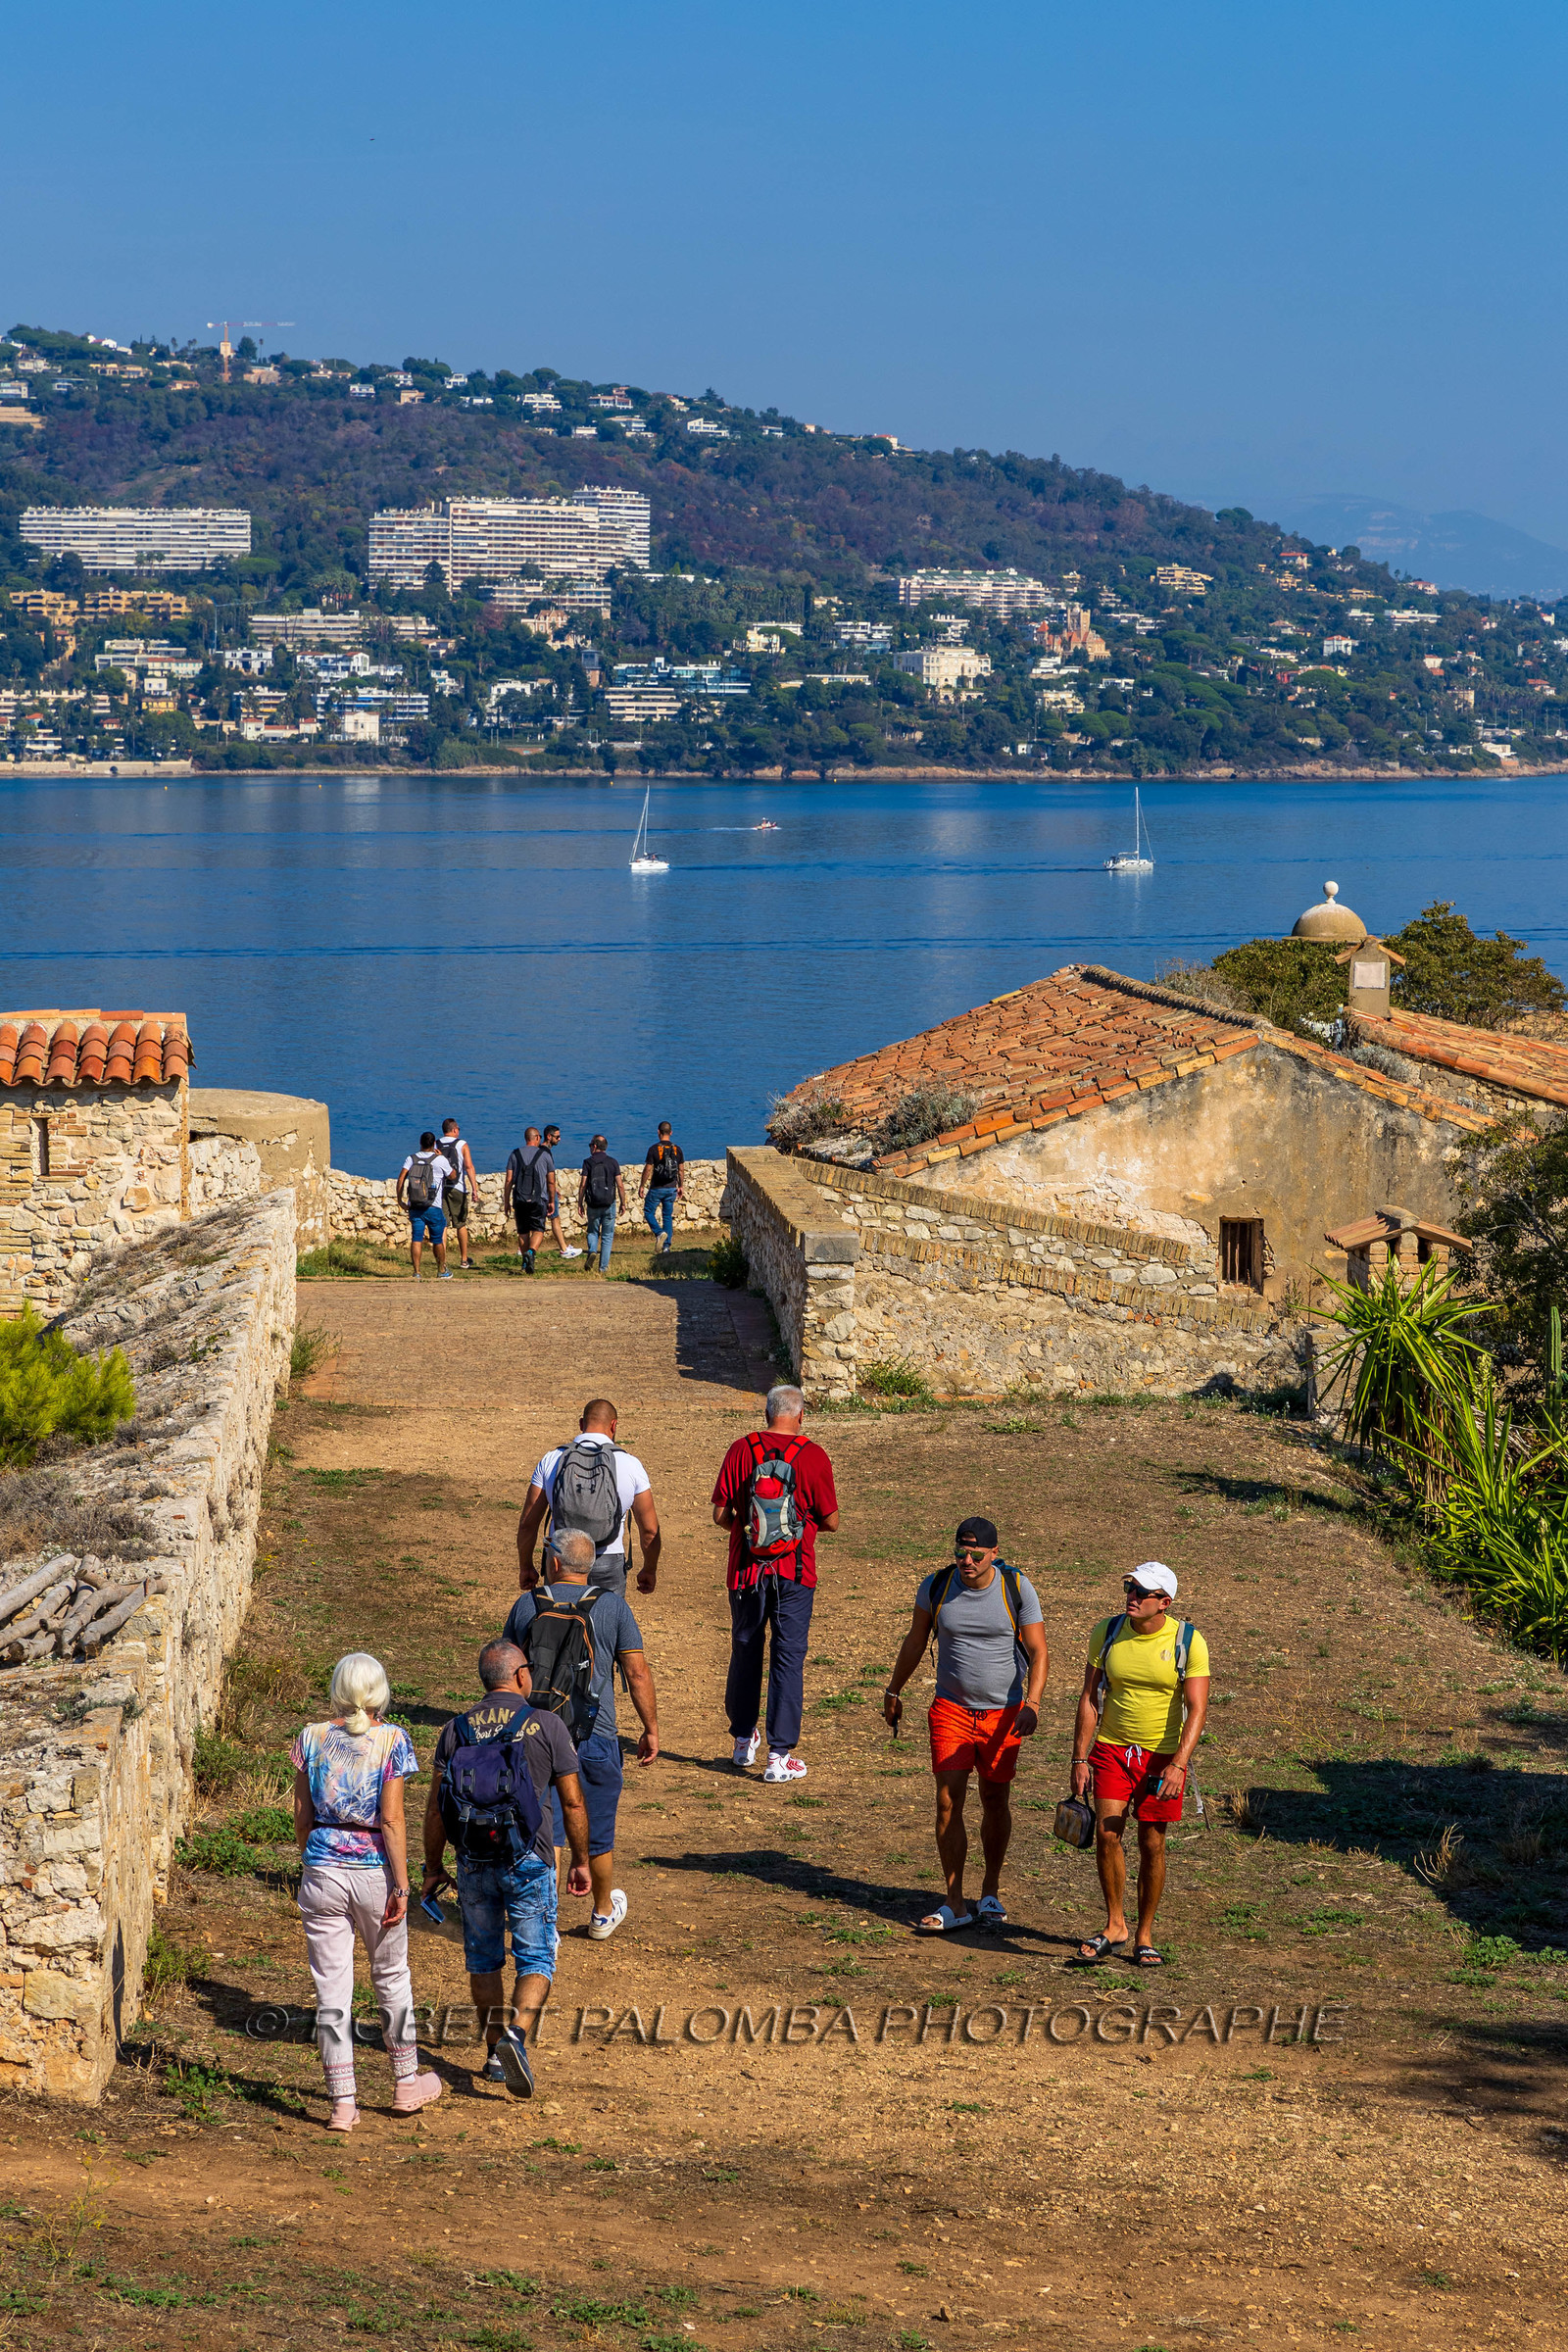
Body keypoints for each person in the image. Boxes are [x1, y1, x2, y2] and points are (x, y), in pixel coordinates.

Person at [419, 1640, 591, 2095]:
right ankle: (517, 2036)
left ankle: (495, 2052)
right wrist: (581, 1860)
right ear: (520, 1676)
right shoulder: (547, 1725)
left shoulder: (455, 1730)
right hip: (529, 1858)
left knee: (483, 1958)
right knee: (535, 1955)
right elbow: (572, 1801)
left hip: (473, 1862)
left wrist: (432, 1867)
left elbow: (437, 1810)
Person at [291, 1651, 443, 2130]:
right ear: (378, 1692)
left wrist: (309, 1856)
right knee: (391, 1976)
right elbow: (392, 1818)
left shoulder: (310, 1738)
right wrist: (402, 1883)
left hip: (322, 1867)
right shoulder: (392, 1740)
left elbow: (301, 1810)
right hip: (373, 1867)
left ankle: (342, 2102)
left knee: (331, 1985)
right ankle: (405, 2082)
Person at [882, 1518, 1049, 1934]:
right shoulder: (937, 1586)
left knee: (995, 1799)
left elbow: (1039, 1649)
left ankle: (989, 1891)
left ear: (994, 1553)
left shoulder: (1016, 1588)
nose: (967, 1561)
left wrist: (1033, 1703)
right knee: (947, 1801)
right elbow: (916, 1641)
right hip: (951, 1710)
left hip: (1004, 1714)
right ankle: (954, 1901)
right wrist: (893, 1690)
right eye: (961, 1553)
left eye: (976, 1554)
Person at [504, 1528, 660, 1943]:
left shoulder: (527, 1605)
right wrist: (650, 1728)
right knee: (598, 1828)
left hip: (536, 1734)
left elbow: (506, 1673)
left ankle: (542, 1919)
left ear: (553, 1562)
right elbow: (637, 1672)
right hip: (596, 1732)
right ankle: (602, 1913)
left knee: (547, 1828)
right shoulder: (612, 1607)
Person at [1070, 1562, 1210, 1970]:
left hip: (1162, 1757)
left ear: (1163, 1602)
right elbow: (1089, 1697)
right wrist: (1080, 1755)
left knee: (1152, 1841)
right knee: (1106, 1832)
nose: (1131, 1596)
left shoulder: (1189, 1641)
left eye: (1140, 1592)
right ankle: (1115, 1925)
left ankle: (1145, 1934)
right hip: (1112, 1749)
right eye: (1129, 1587)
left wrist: (1179, 1764)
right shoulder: (1108, 1631)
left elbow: (1197, 1708)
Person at [711, 1383, 839, 1785]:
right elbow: (831, 1521)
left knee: (745, 1650)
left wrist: (748, 1531)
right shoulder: (813, 1455)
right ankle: (779, 1754)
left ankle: (741, 1740)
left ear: (767, 1414)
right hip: (795, 1574)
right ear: (800, 1416)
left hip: (746, 1572)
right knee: (788, 1657)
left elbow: (719, 1513)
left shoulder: (741, 1449)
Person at [515, 1398, 662, 1596]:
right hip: (608, 1561)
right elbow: (650, 1531)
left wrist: (526, 1566)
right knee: (605, 1623)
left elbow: (527, 1524)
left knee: (560, 1623)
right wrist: (649, 1569)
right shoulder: (631, 1465)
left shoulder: (552, 1459)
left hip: (562, 1559)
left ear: (581, 1424)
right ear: (614, 1425)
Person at [396, 1131, 452, 1282]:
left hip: (415, 1206)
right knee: (437, 1240)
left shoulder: (411, 1159)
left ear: (420, 1143)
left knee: (416, 1238)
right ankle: (441, 1270)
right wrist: (441, 1157)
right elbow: (453, 1176)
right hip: (434, 1206)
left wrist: (400, 1200)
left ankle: (417, 1272)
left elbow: (401, 1178)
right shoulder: (440, 1160)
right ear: (434, 1144)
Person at [503, 1127, 556, 1273]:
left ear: (526, 1138)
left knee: (523, 1232)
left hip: (520, 1199)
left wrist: (506, 1202)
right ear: (537, 1138)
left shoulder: (515, 1154)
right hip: (539, 1199)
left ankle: (525, 1264)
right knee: (538, 1229)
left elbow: (508, 1180)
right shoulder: (545, 1155)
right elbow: (551, 1181)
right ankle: (531, 1253)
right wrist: (551, 1201)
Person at [578, 1134, 628, 1275]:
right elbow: (620, 1185)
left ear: (594, 1146)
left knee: (592, 1232)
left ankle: (592, 1251)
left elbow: (583, 1185)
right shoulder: (613, 1162)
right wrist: (623, 1203)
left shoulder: (588, 1162)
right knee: (607, 1236)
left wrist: (580, 1203)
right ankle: (603, 1268)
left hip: (593, 1203)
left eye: (590, 1145)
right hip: (609, 1203)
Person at [436, 1117, 480, 1272]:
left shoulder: (436, 1144)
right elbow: (469, 1166)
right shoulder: (462, 1144)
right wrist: (474, 1189)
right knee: (460, 1224)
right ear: (455, 1130)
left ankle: (442, 1261)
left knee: (443, 1225)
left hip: (441, 1189)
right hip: (458, 1188)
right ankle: (463, 1260)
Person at [639, 1121, 685, 1254]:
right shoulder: (678, 1149)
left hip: (656, 1187)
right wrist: (680, 1186)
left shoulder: (653, 1149)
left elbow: (648, 1169)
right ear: (671, 1133)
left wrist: (642, 1185)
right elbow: (681, 1170)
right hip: (671, 1188)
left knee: (648, 1212)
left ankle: (659, 1233)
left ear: (658, 1132)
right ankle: (666, 1247)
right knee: (667, 1216)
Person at [541, 1126, 582, 1260]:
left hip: (543, 1189)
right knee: (555, 1218)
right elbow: (548, 1174)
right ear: (549, 1136)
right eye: (557, 1137)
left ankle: (522, 1249)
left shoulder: (539, 1151)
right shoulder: (545, 1153)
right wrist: (552, 1189)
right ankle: (563, 1249)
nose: (559, 1139)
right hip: (546, 1191)